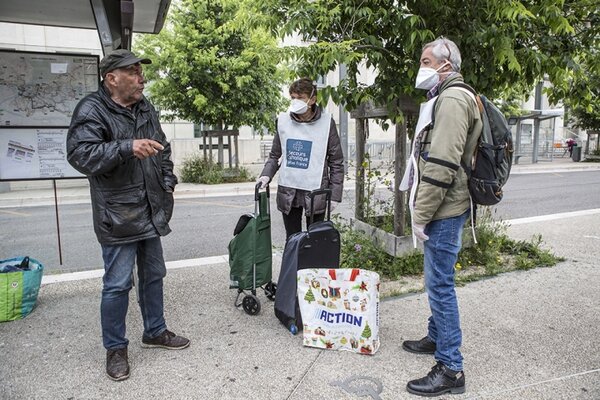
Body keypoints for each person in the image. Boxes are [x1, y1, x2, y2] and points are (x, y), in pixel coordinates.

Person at [67, 49, 190, 382]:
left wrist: (167, 182)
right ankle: (116, 349)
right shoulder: (91, 109)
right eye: (133, 71)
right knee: (118, 284)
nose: (141, 77)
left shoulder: (145, 107)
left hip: (151, 207)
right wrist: (126, 147)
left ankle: (155, 331)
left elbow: (162, 147)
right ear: (112, 79)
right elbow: (80, 155)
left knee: (154, 275)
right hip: (117, 213)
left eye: (141, 71)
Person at [400, 37, 483, 397]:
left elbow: (444, 163)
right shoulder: (452, 94)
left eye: (426, 60)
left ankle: (451, 369)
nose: (422, 67)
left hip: (445, 208)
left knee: (440, 285)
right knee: (437, 278)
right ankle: (436, 338)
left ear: (446, 64)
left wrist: (420, 213)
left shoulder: (451, 98)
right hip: (448, 205)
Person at [257, 78, 344, 239]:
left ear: (312, 99)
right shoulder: (283, 121)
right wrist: (266, 175)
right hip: (289, 190)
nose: (296, 102)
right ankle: (294, 265)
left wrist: (335, 196)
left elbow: (336, 161)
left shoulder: (326, 123)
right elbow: (275, 155)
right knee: (292, 239)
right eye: (293, 98)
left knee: (315, 240)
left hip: (316, 191)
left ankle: (313, 265)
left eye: (300, 98)